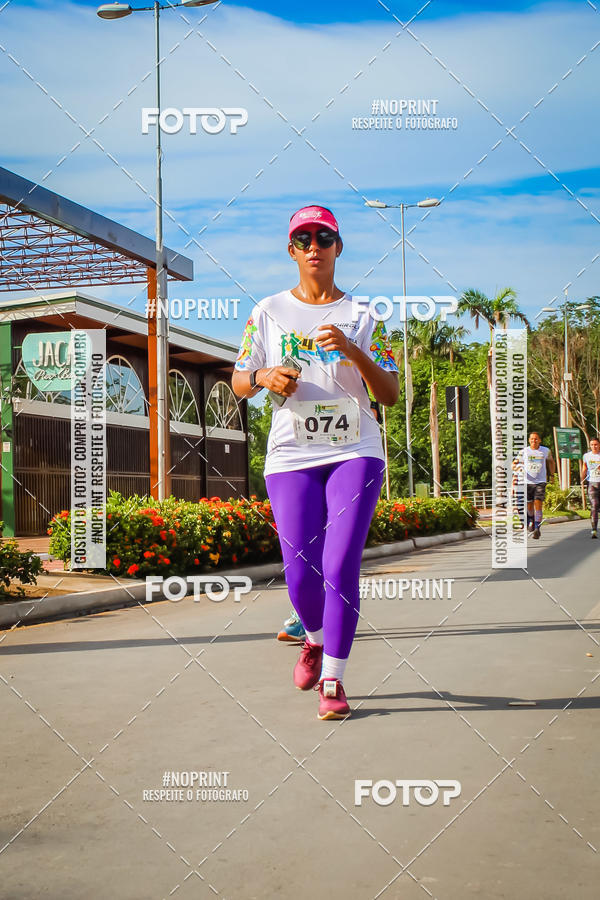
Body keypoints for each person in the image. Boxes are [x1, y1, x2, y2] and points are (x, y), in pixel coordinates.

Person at [232, 205, 399, 720]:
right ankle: (314, 640)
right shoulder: (267, 311)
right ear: (291, 249)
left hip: (355, 450)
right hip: (291, 454)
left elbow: (390, 393)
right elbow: (239, 378)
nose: (313, 246)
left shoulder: (366, 315)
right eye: (302, 238)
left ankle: (334, 679)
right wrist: (263, 378)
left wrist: (353, 349)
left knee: (340, 562)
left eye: (323, 237)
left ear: (337, 247)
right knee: (300, 573)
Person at [275, 381, 381, 644]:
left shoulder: (352, 340)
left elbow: (380, 384)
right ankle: (307, 617)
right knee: (304, 552)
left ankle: (327, 639)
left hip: (351, 451)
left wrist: (371, 409)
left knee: (337, 557)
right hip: (299, 455)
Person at [513, 431, 556, 540]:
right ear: (529, 440)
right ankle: (531, 520)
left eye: (536, 439)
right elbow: (514, 464)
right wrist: (518, 469)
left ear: (540, 440)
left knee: (538, 504)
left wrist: (552, 475)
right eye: (532, 439)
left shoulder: (545, 451)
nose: (534, 440)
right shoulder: (524, 452)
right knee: (529, 505)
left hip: (540, 482)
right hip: (526, 482)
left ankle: (537, 527)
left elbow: (551, 462)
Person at [581, 437, 600, 539]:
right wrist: (582, 478)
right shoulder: (586, 456)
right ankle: (594, 530)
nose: (594, 447)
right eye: (592, 445)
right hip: (592, 483)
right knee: (594, 505)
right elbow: (584, 468)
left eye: (596, 444)